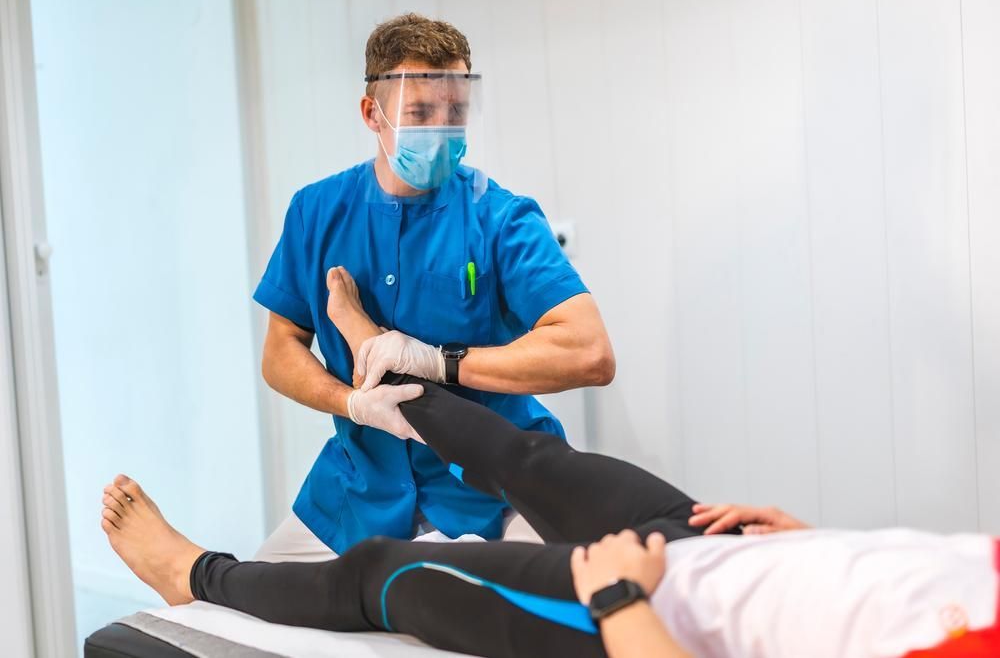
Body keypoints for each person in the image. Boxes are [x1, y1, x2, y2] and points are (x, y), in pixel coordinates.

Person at [101, 274, 999, 658]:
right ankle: (376, 352)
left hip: (648, 611)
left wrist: (621, 598)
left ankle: (194, 572)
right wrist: (812, 543)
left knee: (382, 572)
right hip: (724, 544)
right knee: (521, 455)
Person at [253, 12, 615, 562]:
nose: (443, 130)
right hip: (360, 490)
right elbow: (280, 350)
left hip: (494, 488)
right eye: (421, 113)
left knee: (536, 597)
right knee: (255, 595)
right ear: (372, 114)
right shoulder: (316, 213)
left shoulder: (500, 218)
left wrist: (436, 360)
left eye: (456, 112)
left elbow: (590, 352)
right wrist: (352, 403)